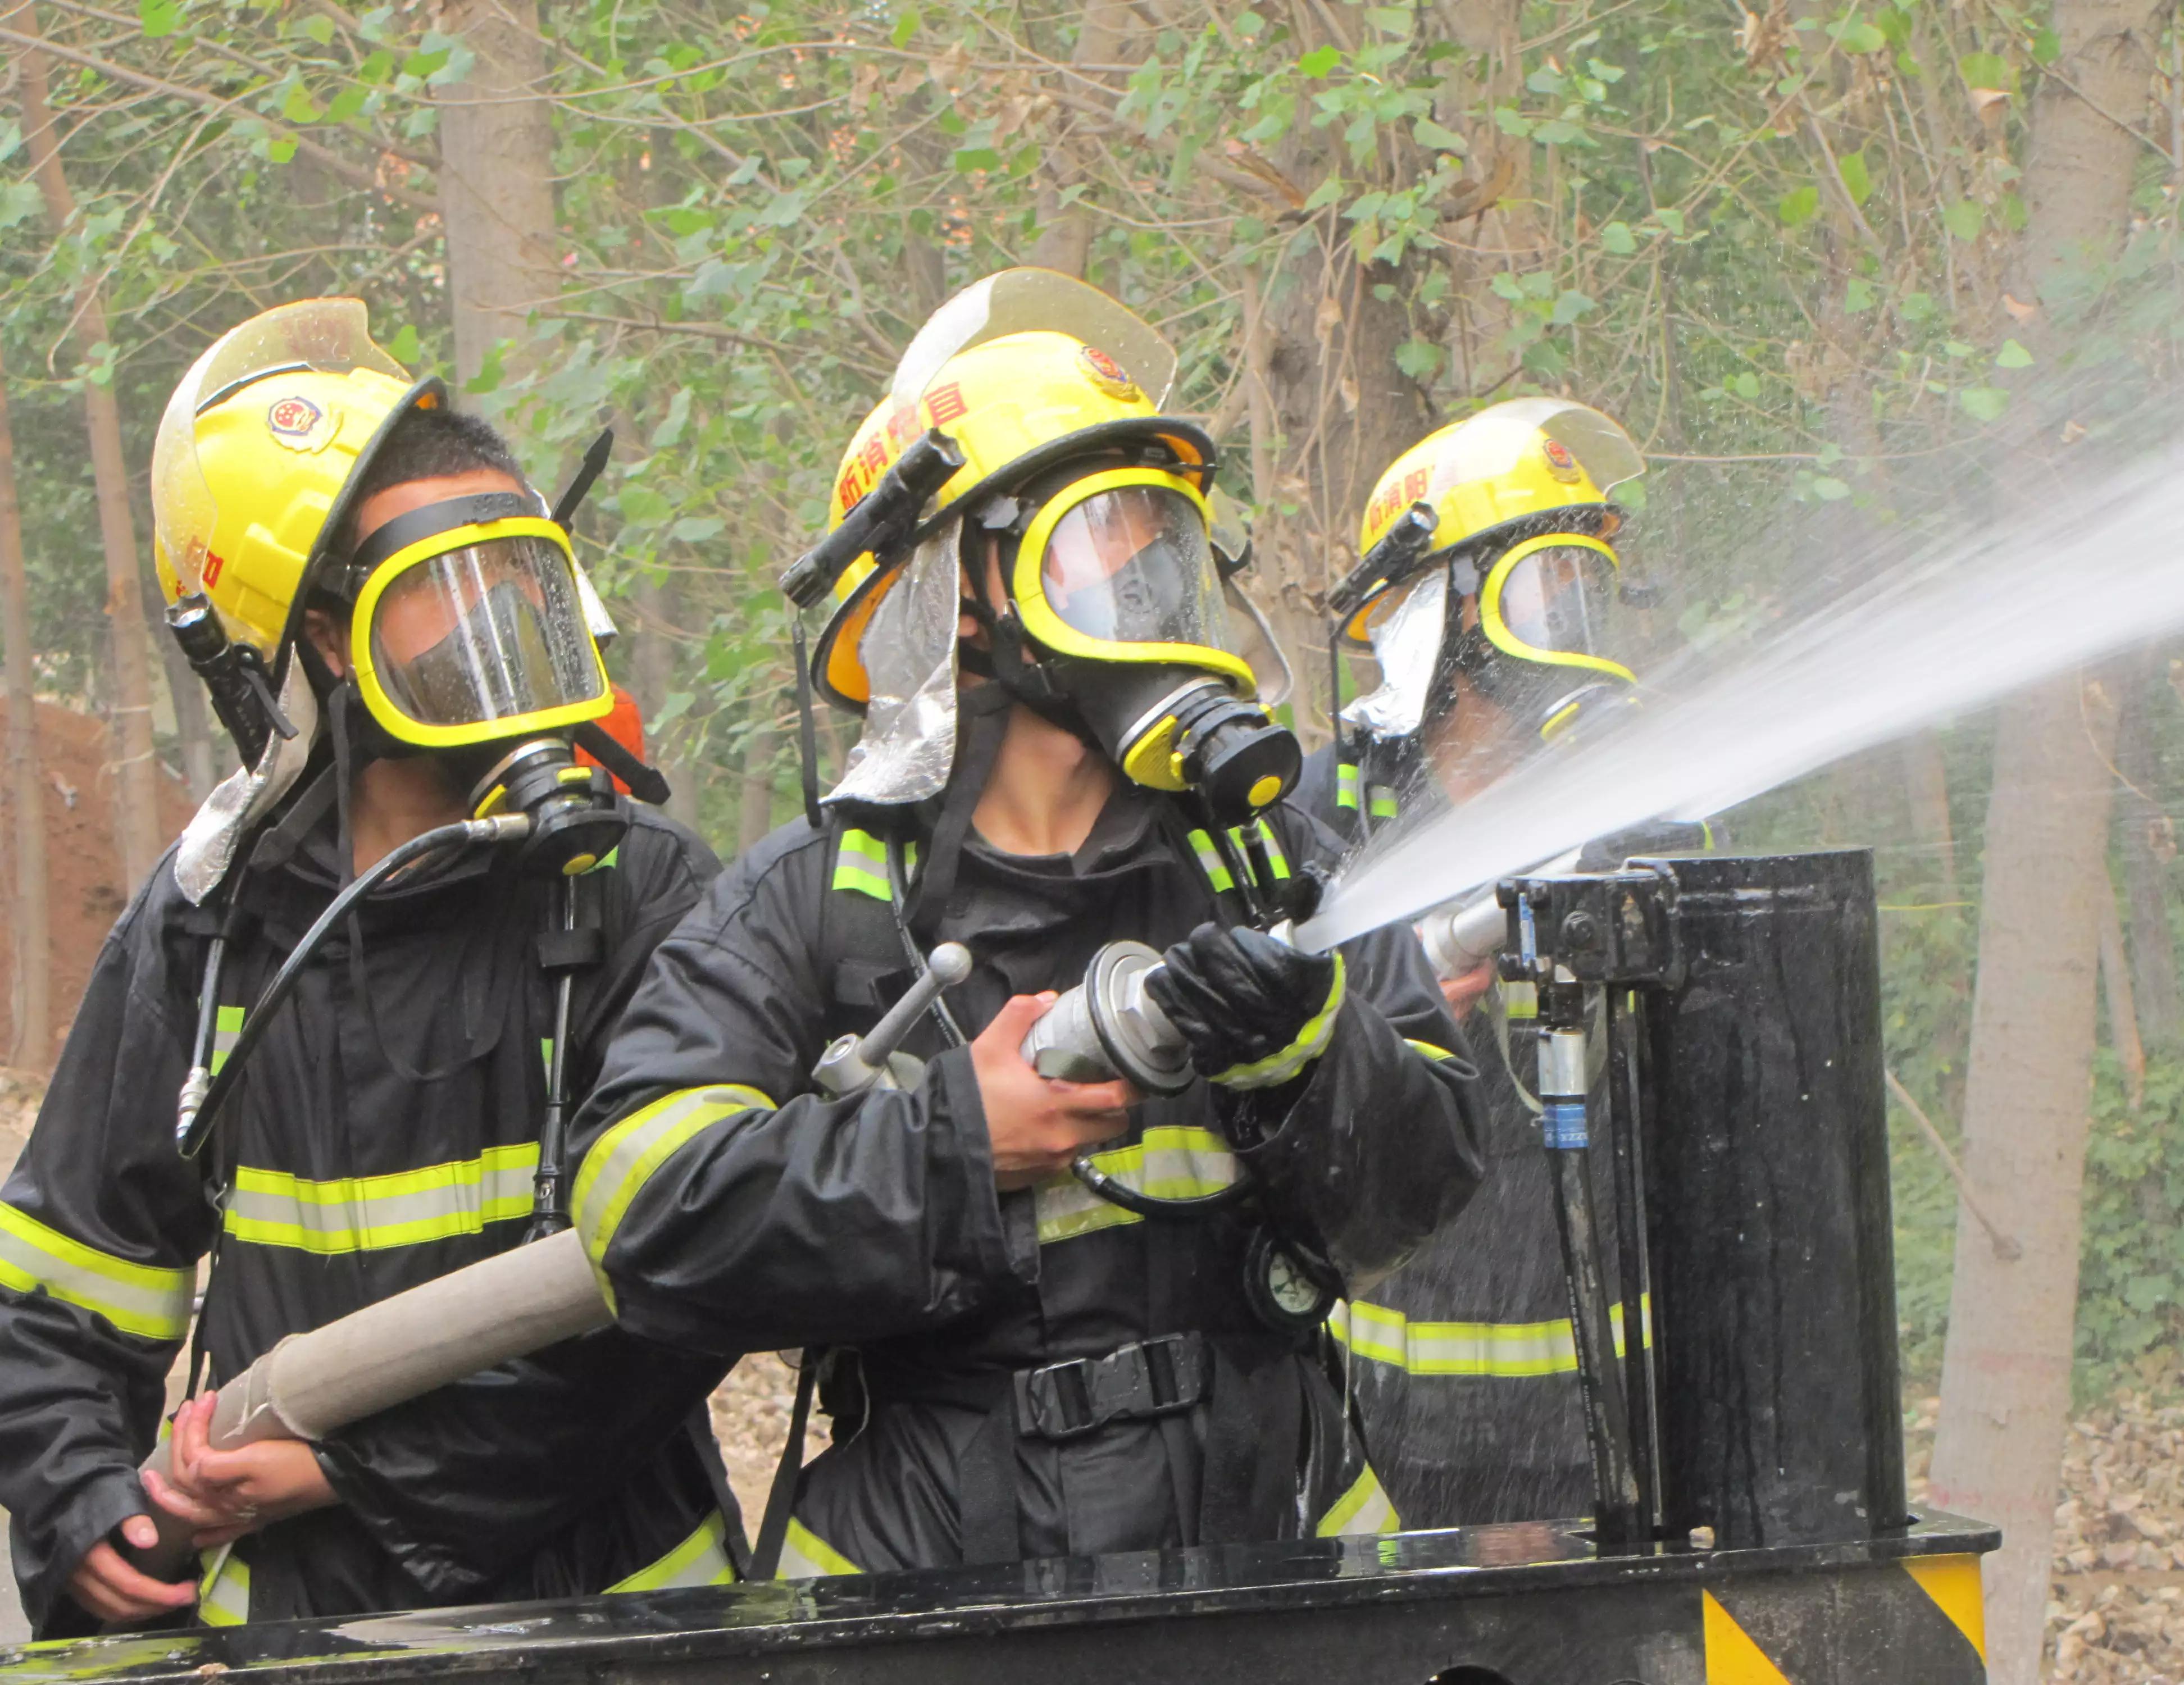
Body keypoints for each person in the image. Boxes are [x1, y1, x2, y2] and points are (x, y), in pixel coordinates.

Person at [567, 270, 1482, 1578]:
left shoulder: (1275, 863)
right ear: (962, 591)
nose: (1148, 578)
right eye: (1094, 536)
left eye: (1163, 537)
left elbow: (1428, 1182)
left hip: (1284, 1572)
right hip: (943, 1589)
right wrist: (950, 1142)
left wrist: (1312, 1052)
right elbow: (639, 1212)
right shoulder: (815, 902)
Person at [0, 299, 740, 1635]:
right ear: (328, 642)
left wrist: (348, 1471)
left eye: (518, 585)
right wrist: (76, 1505)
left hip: (613, 1621)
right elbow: (67, 1281)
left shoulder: (638, 887)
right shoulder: (207, 926)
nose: (495, 635)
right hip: (291, 1632)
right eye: (439, 601)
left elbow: (686, 1303)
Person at [1296, 398, 1698, 1528]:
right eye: (1544, 588)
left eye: (1588, 588)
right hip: (1363, 1451)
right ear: (1444, 613)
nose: (1574, 624)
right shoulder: (1313, 826)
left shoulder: (1643, 824)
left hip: (1610, 1437)